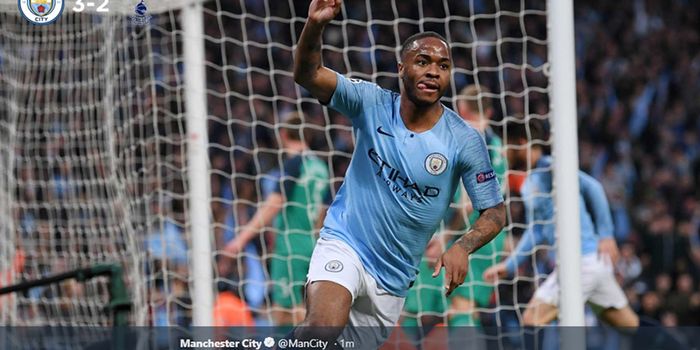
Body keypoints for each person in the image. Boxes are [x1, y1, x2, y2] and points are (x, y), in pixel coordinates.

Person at [292, 0, 506, 347]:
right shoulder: (370, 103)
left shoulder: (464, 140)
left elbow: (495, 211)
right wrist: (315, 24)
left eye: (443, 65)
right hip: (345, 243)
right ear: (401, 67)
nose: (433, 71)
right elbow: (308, 74)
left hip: (392, 280)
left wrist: (463, 247)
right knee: (321, 329)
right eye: (423, 61)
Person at [483, 118, 639, 329]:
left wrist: (606, 234)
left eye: (505, 147)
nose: (502, 154)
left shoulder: (550, 169)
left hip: (581, 262)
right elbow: (536, 230)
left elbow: (593, 187)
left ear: (520, 143)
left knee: (532, 319)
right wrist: (510, 265)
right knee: (630, 326)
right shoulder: (530, 184)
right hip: (590, 264)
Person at [224, 112, 329, 326]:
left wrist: (240, 239)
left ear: (282, 134)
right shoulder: (320, 167)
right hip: (312, 246)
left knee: (286, 309)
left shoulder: (293, 165)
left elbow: (274, 203)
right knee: (299, 306)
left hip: (289, 246)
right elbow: (324, 212)